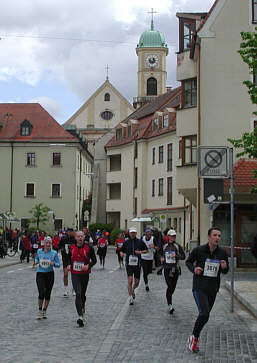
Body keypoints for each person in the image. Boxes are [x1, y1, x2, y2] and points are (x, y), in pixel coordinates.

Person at [186, 227, 229, 353]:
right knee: (204, 313)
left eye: (219, 236)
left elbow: (225, 271)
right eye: (215, 235)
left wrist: (225, 267)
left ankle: (194, 337)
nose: (217, 238)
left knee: (205, 315)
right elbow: (188, 262)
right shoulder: (199, 250)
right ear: (209, 237)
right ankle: (194, 339)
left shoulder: (222, 252)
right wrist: (194, 269)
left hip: (213, 288)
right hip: (199, 287)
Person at [67, 231, 97, 327]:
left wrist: (88, 265)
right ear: (75, 238)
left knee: (83, 294)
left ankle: (82, 306)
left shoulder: (89, 248)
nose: (80, 238)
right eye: (78, 236)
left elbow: (94, 260)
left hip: (84, 274)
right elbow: (67, 258)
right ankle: (80, 316)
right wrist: (67, 265)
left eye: (81, 236)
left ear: (84, 237)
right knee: (78, 293)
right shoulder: (71, 247)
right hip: (75, 273)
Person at [34, 236, 60, 319]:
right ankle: (39, 310)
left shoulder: (54, 253)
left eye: (50, 243)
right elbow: (36, 258)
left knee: (47, 293)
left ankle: (45, 310)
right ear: (44, 244)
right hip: (40, 274)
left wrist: (53, 264)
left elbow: (58, 264)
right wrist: (36, 261)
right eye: (47, 242)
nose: (48, 244)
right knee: (41, 292)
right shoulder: (39, 251)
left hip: (50, 274)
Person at [160, 229, 185, 314]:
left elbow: (183, 256)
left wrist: (177, 256)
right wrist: (161, 258)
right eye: (171, 236)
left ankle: (169, 299)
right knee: (169, 286)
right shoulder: (165, 246)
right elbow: (159, 254)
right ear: (168, 237)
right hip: (167, 268)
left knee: (173, 288)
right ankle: (170, 305)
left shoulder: (177, 246)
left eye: (174, 236)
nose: (172, 237)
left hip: (175, 269)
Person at [120, 227, 148, 305]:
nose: (132, 234)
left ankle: (133, 289)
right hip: (129, 264)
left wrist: (140, 252)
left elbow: (146, 250)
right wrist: (121, 254)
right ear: (129, 233)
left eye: (134, 233)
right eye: (131, 233)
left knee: (136, 282)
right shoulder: (126, 242)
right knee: (130, 280)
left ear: (136, 233)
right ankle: (130, 298)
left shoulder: (140, 242)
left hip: (137, 264)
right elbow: (121, 250)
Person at [59, 227, 76, 297]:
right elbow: (60, 246)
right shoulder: (63, 238)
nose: (69, 233)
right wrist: (62, 249)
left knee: (74, 274)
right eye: (68, 231)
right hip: (65, 258)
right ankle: (65, 289)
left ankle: (74, 289)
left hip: (73, 258)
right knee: (65, 274)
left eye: (71, 231)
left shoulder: (74, 239)